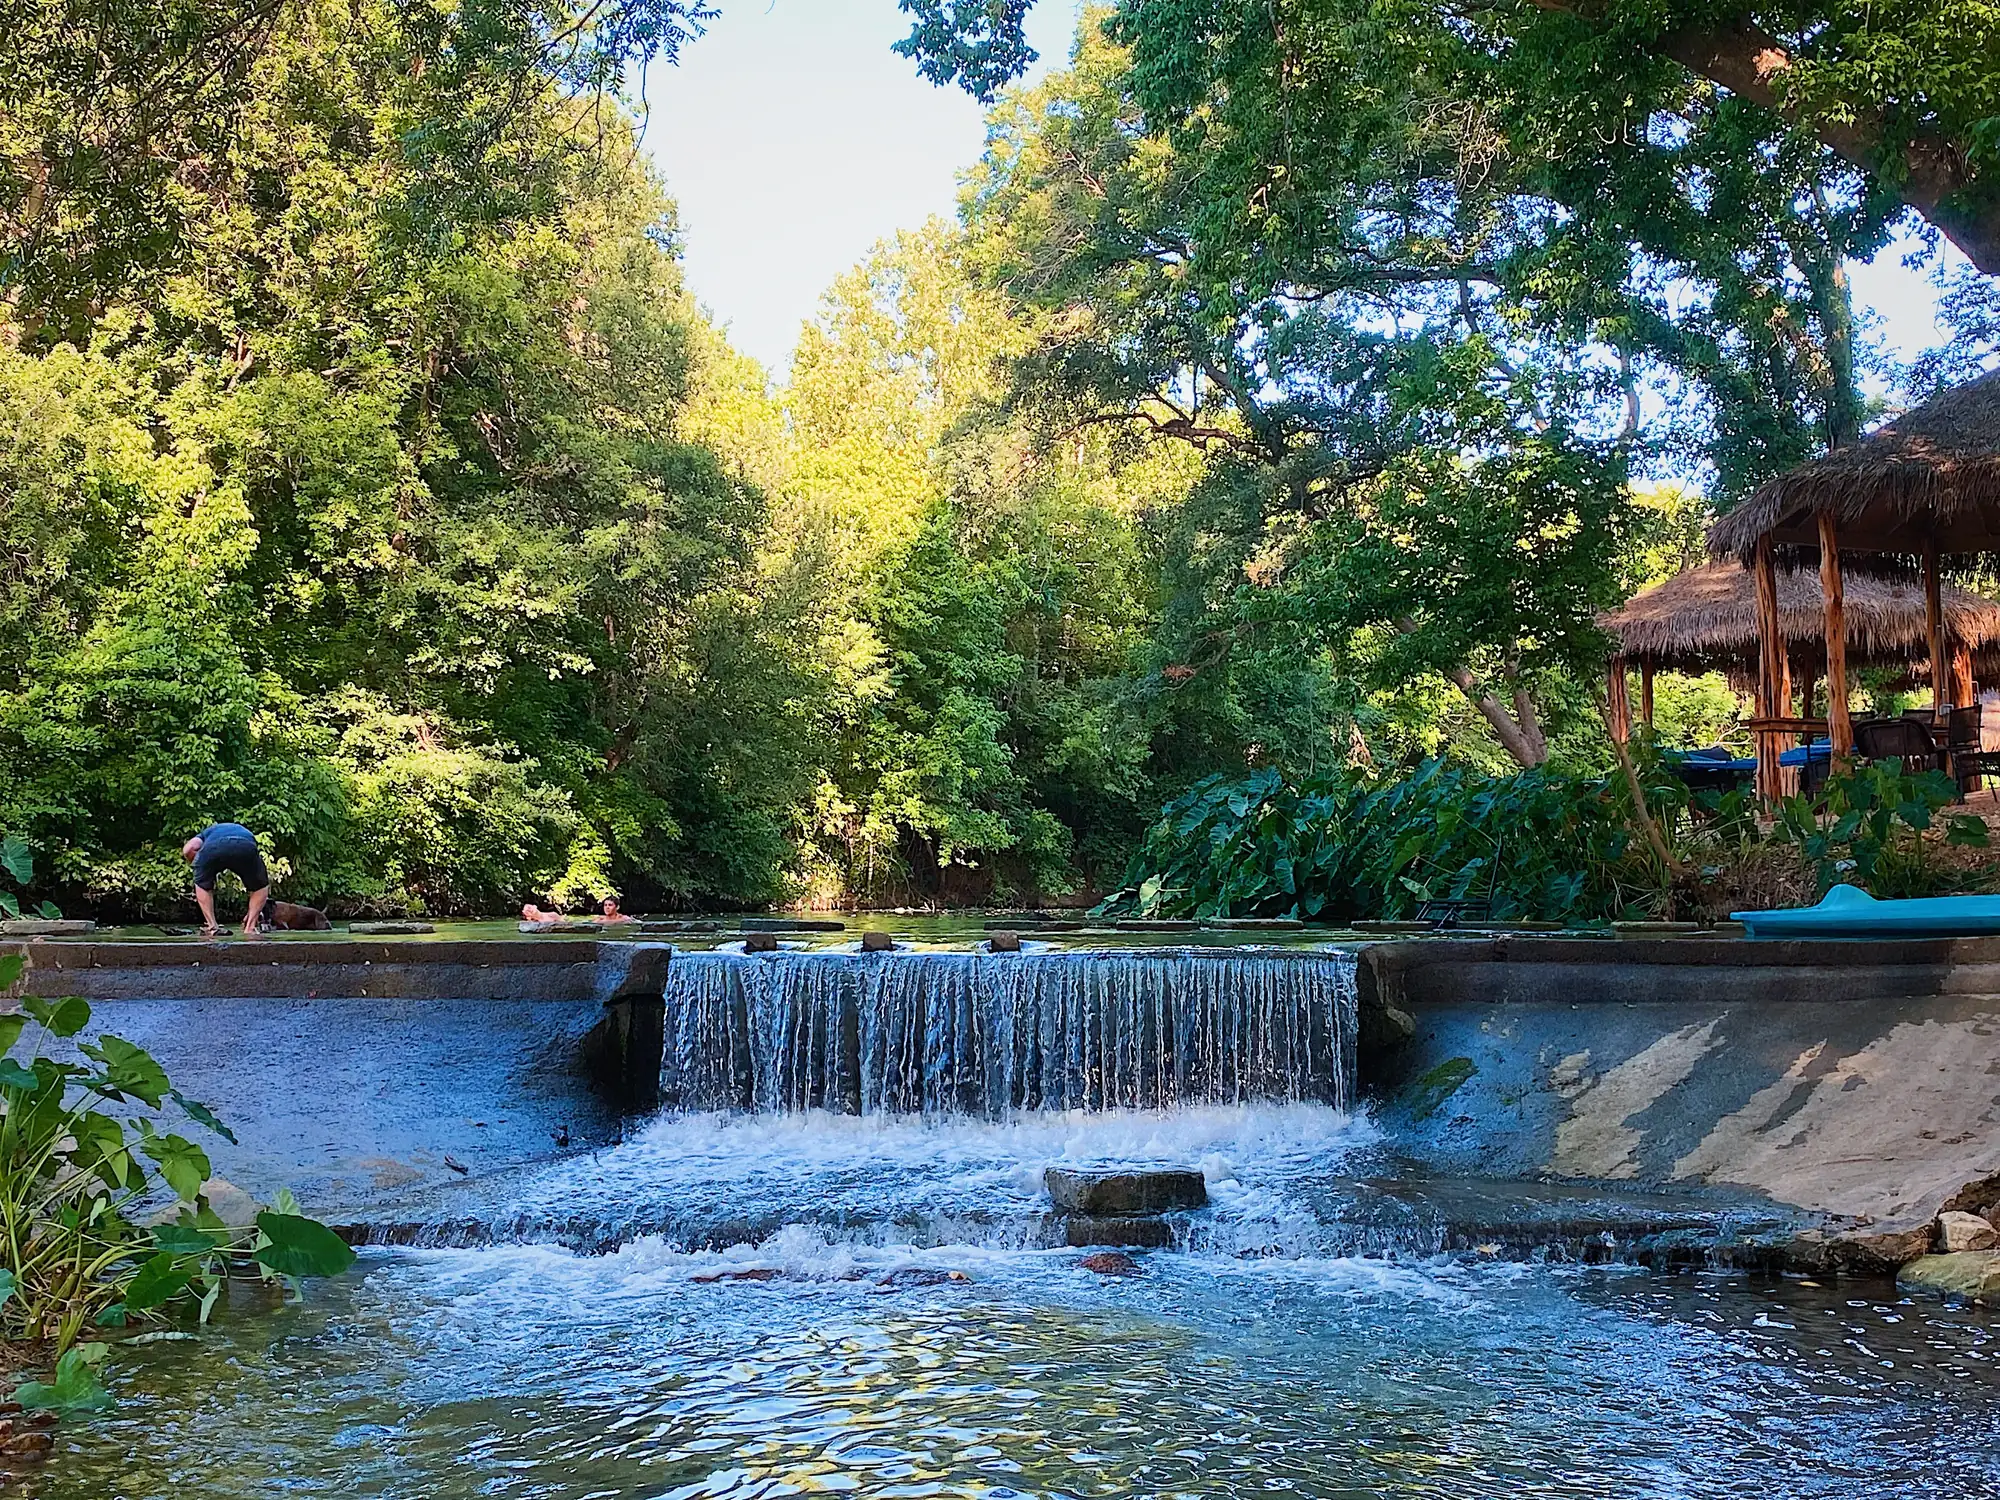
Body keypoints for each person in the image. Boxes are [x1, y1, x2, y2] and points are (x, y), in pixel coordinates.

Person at [181, 823, 271, 937]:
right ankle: (250, 927)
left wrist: (200, 866)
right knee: (260, 887)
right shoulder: (242, 830)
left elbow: (188, 849)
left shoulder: (205, 834)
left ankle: (212, 926)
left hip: (213, 848)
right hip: (245, 846)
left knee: (202, 885)